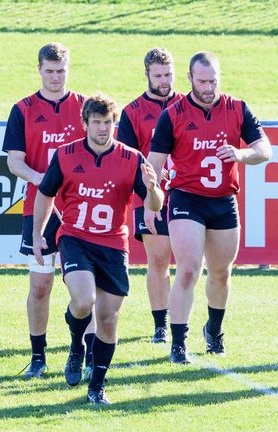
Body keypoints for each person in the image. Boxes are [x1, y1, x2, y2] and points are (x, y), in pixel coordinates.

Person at [33, 94, 163, 404]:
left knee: (108, 318)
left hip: (113, 244)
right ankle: (77, 344)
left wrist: (154, 187)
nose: (103, 129)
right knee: (84, 299)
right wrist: (38, 234)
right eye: (97, 123)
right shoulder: (66, 155)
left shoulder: (132, 159)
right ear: (85, 124)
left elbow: (153, 205)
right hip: (75, 238)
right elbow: (45, 195)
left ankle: (97, 387)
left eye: (108, 123)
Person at [148, 52, 272, 364]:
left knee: (220, 272)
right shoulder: (173, 114)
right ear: (189, 78)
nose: (208, 87)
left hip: (223, 200)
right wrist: (150, 201)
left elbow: (264, 150)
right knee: (188, 269)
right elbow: (154, 163)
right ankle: (178, 343)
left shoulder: (237, 107)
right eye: (202, 81)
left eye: (213, 80)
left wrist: (241, 155)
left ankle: (214, 330)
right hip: (187, 197)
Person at [2, 42, 93, 379]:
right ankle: (38, 356)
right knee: (40, 286)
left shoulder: (85, 106)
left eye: (61, 71)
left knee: (84, 287)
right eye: (49, 71)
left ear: (68, 70)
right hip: (39, 209)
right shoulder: (23, 109)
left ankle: (83, 352)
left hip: (80, 209)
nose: (55, 77)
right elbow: (14, 161)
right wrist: (43, 179)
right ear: (39, 69)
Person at [117, 48, 184, 343]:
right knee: (158, 260)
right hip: (151, 196)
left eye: (168, 74)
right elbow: (129, 160)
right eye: (158, 75)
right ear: (146, 75)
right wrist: (147, 197)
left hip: (187, 194)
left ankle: (183, 320)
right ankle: (161, 323)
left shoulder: (188, 104)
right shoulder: (132, 112)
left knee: (188, 262)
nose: (164, 81)